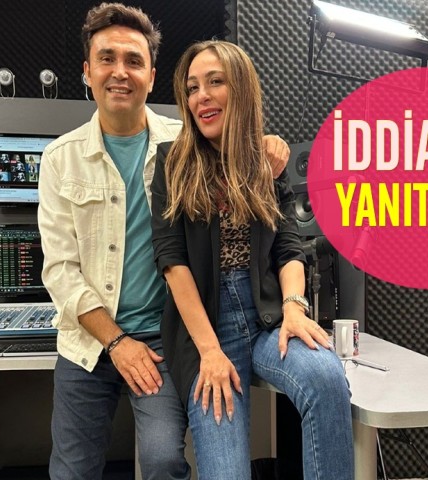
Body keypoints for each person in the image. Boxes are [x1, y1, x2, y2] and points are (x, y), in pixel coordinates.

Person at [37, 4, 290, 480]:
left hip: (161, 338)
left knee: (163, 461)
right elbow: (60, 272)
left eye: (134, 61)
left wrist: (269, 144)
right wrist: (116, 342)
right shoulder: (59, 159)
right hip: (88, 342)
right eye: (107, 59)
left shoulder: (187, 145)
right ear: (87, 71)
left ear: (152, 77)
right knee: (71, 471)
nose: (120, 72)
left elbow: (240, 145)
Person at [151, 40, 354, 480]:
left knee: (326, 377)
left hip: (266, 319)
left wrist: (294, 307)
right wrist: (209, 352)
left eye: (215, 82)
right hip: (206, 329)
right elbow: (172, 262)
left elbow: (289, 247)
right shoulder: (171, 161)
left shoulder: (264, 162)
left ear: (241, 89)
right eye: (193, 87)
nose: (202, 96)